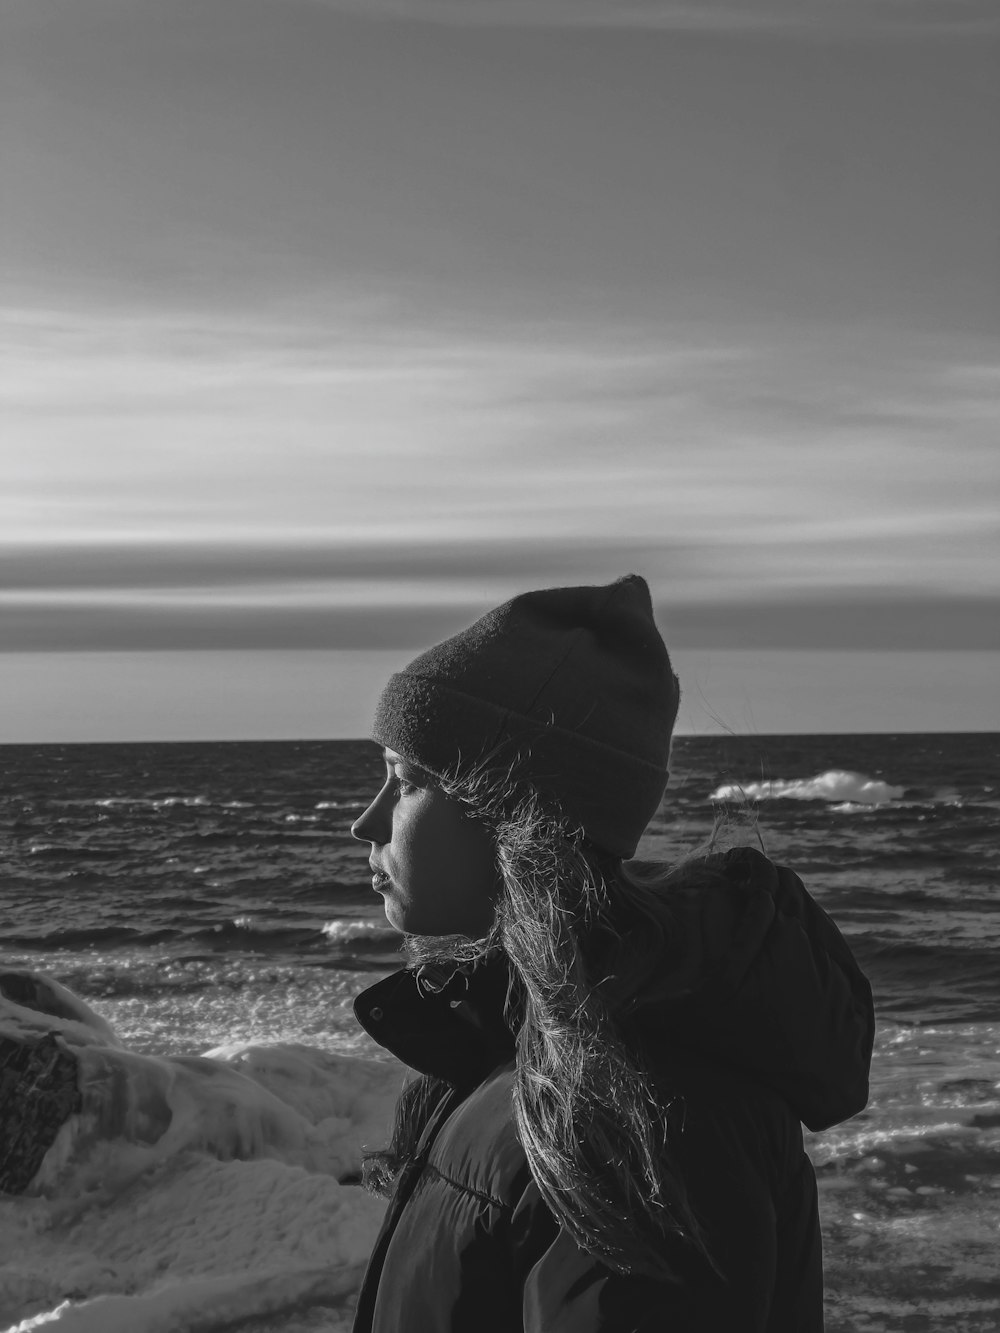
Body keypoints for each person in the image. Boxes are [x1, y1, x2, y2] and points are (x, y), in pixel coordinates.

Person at [348, 575, 874, 1332]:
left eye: (403, 781)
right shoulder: (525, 1040)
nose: (366, 822)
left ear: (516, 811)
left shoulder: (647, 1109)